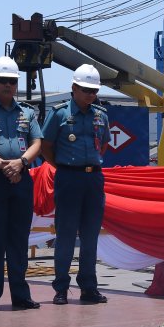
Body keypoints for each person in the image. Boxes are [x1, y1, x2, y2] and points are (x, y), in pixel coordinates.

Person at [0, 56, 42, 312]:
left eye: (12, 81)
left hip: (21, 179)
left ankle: (20, 295)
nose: (8, 85)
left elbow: (37, 142)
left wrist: (22, 163)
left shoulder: (27, 112)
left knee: (18, 238)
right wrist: (5, 166)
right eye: (2, 80)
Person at [41, 64, 110, 305]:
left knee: (91, 236)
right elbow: (45, 145)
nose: (90, 94)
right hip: (68, 178)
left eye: (94, 90)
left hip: (93, 179)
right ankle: (61, 288)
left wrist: (88, 164)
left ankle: (88, 287)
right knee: (67, 235)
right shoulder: (59, 113)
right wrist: (63, 165)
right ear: (74, 88)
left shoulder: (101, 115)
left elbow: (102, 144)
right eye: (85, 89)